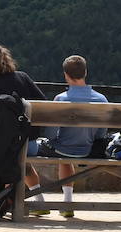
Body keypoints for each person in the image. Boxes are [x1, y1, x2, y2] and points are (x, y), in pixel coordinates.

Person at [0, 42, 47, 211]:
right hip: (31, 143)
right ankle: (40, 201)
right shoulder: (23, 77)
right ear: (6, 59)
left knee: (2, 154)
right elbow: (43, 103)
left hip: (12, 146)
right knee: (22, 158)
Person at [39, 54, 107, 218]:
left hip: (63, 149)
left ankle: (41, 199)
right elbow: (101, 134)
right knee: (65, 151)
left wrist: (50, 140)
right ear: (85, 73)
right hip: (88, 148)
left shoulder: (61, 99)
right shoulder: (101, 100)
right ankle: (67, 202)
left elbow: (50, 133)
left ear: (66, 75)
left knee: (31, 148)